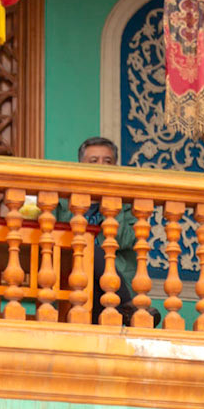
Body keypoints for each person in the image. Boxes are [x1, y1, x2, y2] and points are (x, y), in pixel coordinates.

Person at [62, 135, 138, 317]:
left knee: (92, 250)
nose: (101, 166)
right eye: (94, 161)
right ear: (81, 167)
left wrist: (111, 200)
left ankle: (126, 306)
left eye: (107, 161)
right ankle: (129, 308)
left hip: (113, 287)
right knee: (87, 247)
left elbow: (125, 239)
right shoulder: (64, 204)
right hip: (73, 278)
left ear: (115, 168)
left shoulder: (128, 205)